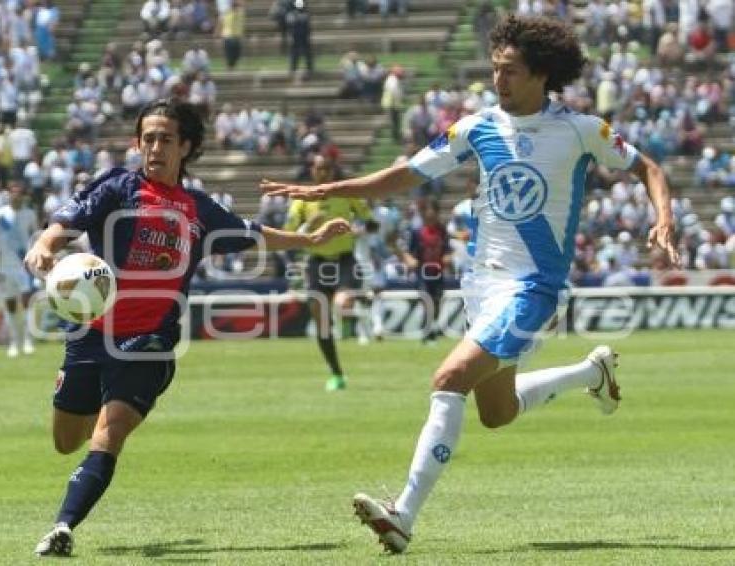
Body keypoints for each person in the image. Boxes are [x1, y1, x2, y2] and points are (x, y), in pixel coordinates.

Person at [261, 15, 680, 553]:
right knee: (496, 413)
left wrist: (663, 217)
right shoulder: (477, 127)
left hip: (533, 287)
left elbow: (648, 168)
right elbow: (410, 172)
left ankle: (402, 514)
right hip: (480, 286)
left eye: (510, 72)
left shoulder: (579, 130)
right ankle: (590, 373)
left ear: (541, 75)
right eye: (494, 70)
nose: (498, 82)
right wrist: (332, 189)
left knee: (450, 375)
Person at [24, 99, 349, 557]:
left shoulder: (197, 210)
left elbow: (254, 231)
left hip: (149, 342)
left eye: (166, 139)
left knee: (108, 432)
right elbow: (64, 222)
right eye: (148, 138)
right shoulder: (117, 188)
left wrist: (308, 240)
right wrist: (44, 244)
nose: (155, 147)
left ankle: (63, 527)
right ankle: (86, 447)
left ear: (187, 147)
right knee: (65, 441)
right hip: (90, 336)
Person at [282, 152, 373, 391]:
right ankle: (336, 373)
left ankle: (352, 313)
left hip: (344, 261)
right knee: (320, 320)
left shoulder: (346, 194)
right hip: (317, 263)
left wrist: (359, 228)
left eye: (327, 169)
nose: (323, 173)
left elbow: (371, 222)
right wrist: (307, 226)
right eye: (318, 168)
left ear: (333, 171)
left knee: (342, 303)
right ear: (312, 171)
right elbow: (287, 231)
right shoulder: (302, 200)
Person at [0, 182, 38, 358]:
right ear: (9, 195)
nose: (16, 195)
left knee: (27, 300)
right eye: (13, 192)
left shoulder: (30, 214)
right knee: (10, 304)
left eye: (19, 192)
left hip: (23, 265)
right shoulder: (1, 214)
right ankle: (14, 342)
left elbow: (35, 237)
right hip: (5, 265)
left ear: (23, 195)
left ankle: (28, 340)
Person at [402, 200, 452, 344]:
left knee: (436, 302)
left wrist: (448, 257)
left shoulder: (442, 231)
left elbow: (447, 250)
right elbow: (409, 252)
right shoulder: (417, 232)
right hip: (422, 273)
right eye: (427, 215)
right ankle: (427, 333)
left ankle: (432, 330)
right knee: (426, 301)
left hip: (438, 272)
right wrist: (410, 260)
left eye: (433, 214)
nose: (430, 217)